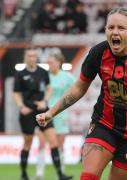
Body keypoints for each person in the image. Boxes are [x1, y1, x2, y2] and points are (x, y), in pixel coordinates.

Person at [36, 7, 127, 180]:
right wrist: (51, 112)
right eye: (110, 28)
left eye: (121, 28)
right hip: (104, 124)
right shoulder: (98, 53)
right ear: (105, 30)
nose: (115, 32)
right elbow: (79, 87)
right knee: (88, 176)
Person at [13, 47, 73, 180]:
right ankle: (24, 174)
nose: (32, 58)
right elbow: (16, 93)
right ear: (25, 57)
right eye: (30, 56)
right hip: (27, 112)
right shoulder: (20, 74)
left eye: (34, 56)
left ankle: (60, 174)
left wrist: (44, 100)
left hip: (42, 112)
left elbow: (49, 88)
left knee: (53, 142)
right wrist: (21, 106)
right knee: (27, 143)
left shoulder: (42, 72)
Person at [35, 51, 76, 178]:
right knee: (41, 143)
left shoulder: (68, 77)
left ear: (59, 63)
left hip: (61, 115)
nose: (49, 65)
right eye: (48, 63)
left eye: (51, 62)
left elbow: (76, 91)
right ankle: (39, 174)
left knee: (60, 145)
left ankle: (61, 173)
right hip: (44, 113)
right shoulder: (43, 76)